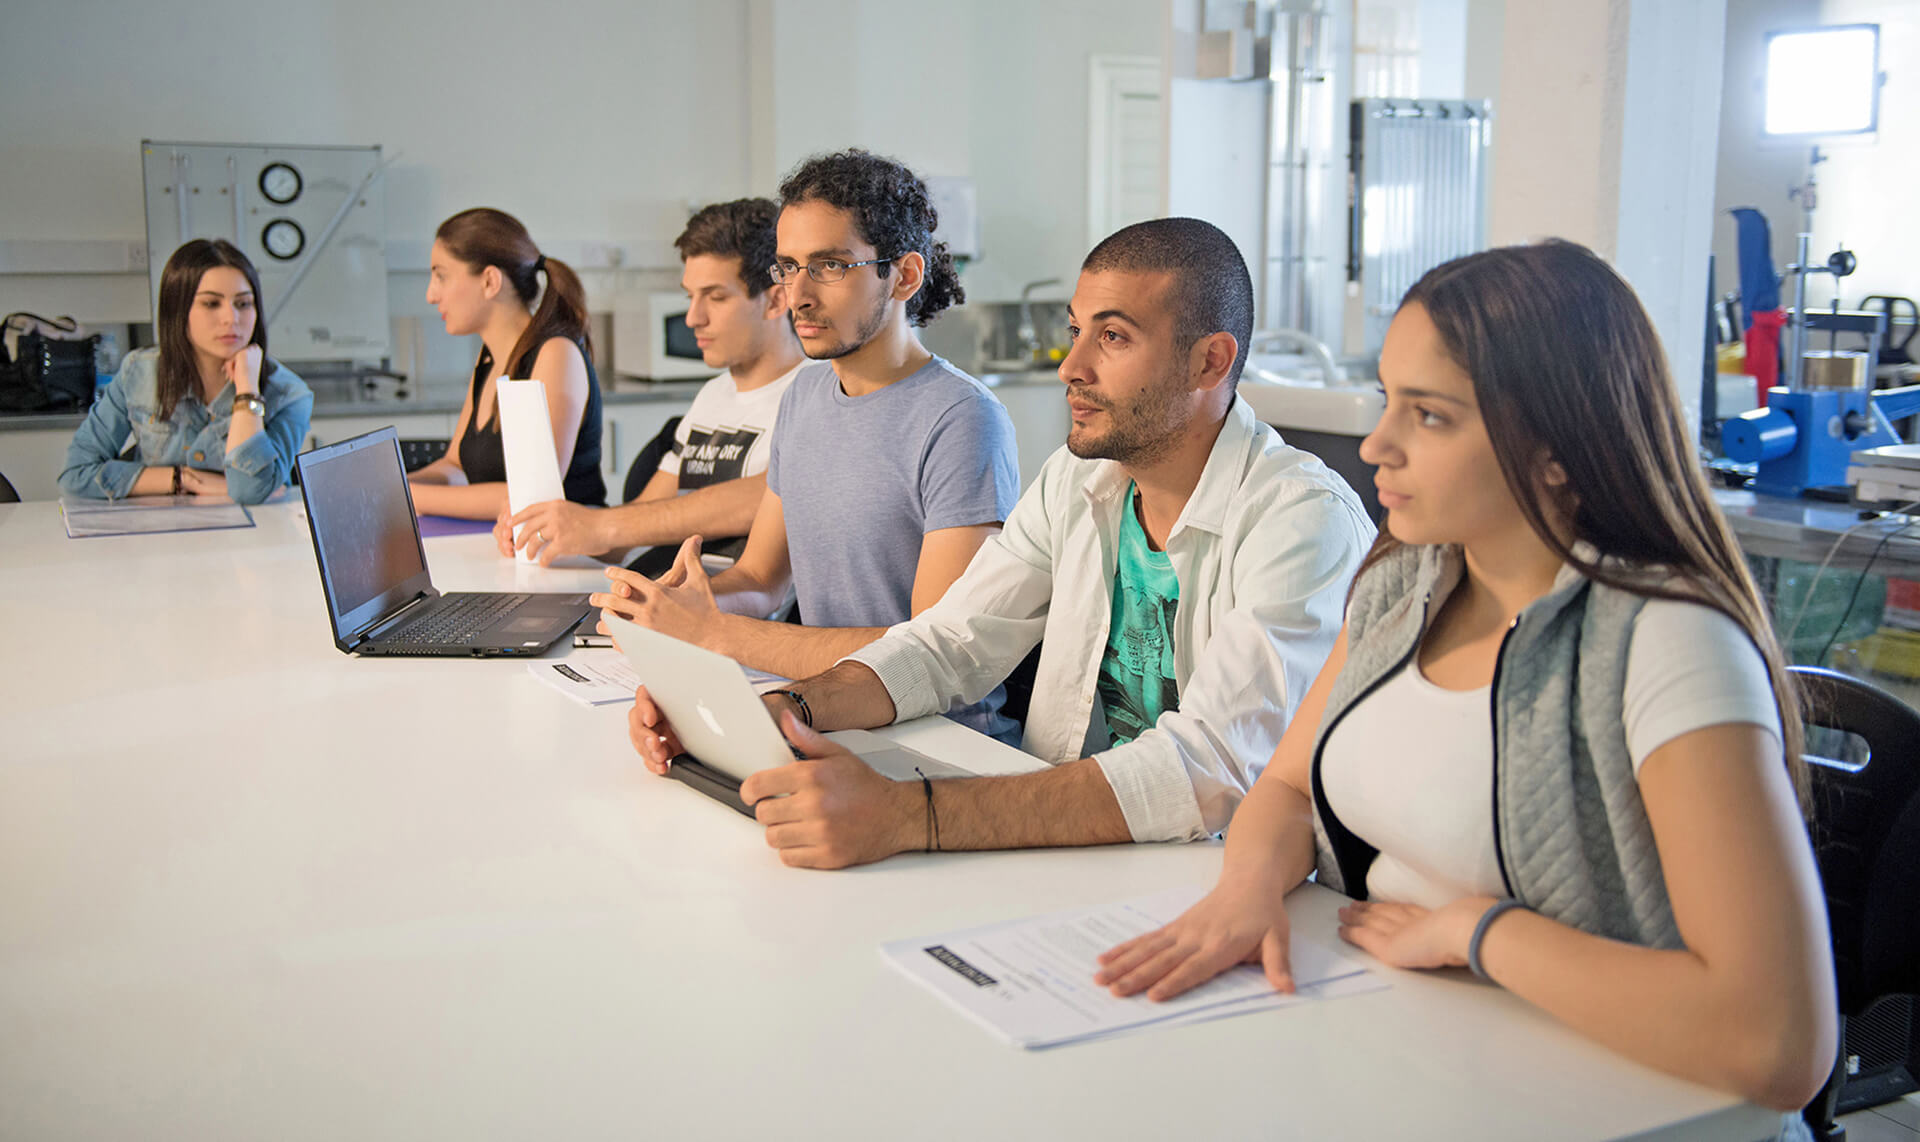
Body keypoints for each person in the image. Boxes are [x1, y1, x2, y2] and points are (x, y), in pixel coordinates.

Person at [1093, 241, 1836, 1113]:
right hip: (1396, 1056)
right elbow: (1286, 789)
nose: (1377, 445)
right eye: (1387, 403)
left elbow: (1778, 1041)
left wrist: (1477, 932)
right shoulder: (1406, 582)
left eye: (1430, 416)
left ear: (1558, 449)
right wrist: (1246, 894)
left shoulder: (1664, 642)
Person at [627, 218, 1375, 870]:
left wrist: (910, 816)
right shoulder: (1076, 485)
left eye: (1113, 337)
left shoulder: (1301, 522)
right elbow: (949, 641)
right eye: (1076, 331)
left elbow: (1202, 774)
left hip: (1213, 881)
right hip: (1059, 848)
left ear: (1211, 361)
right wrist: (784, 709)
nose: (1072, 367)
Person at [594, 149, 1020, 736]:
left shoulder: (962, 418)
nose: (798, 295)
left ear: (904, 275)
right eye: (788, 267)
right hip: (825, 713)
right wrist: (677, 610)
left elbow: (931, 649)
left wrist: (715, 632)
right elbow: (761, 579)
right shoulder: (806, 394)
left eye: (829, 266)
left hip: (937, 738)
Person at [499, 198, 804, 570]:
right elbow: (625, 534)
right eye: (690, 297)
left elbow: (772, 493)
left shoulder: (813, 393)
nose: (693, 318)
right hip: (666, 605)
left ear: (776, 301)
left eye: (716, 297)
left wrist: (604, 524)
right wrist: (547, 525)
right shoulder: (713, 396)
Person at [60, 239, 312, 505]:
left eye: (243, 304)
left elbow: (250, 491)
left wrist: (248, 391)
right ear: (178, 311)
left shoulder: (289, 393)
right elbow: (76, 474)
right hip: (159, 538)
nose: (231, 319)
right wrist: (184, 479)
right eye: (211, 304)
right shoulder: (139, 371)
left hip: (256, 541)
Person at [408, 208, 605, 519]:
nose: (432, 294)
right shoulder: (488, 358)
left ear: (490, 281)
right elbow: (457, 466)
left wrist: (409, 497)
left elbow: (529, 497)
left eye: (441, 276)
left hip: (574, 561)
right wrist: (390, 487)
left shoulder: (557, 355)